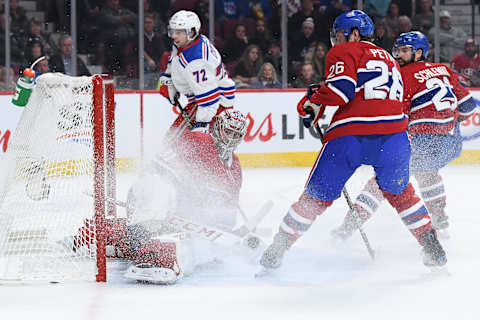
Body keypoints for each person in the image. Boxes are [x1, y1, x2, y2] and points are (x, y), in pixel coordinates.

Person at [259, 11, 448, 273]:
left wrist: (313, 102)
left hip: (351, 136)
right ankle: (431, 244)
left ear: (354, 33)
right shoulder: (392, 61)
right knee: (402, 192)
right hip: (395, 137)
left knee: (316, 197)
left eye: (339, 35)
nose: (337, 41)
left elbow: (340, 91)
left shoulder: (344, 52)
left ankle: (278, 247)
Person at [72, 109, 251, 284]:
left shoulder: (234, 169)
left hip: (181, 216)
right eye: (228, 131)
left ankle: (106, 234)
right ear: (218, 127)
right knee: (159, 189)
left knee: (201, 246)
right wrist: (184, 186)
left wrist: (228, 230)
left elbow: (225, 212)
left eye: (236, 135)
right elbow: (156, 169)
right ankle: (148, 251)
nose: (230, 138)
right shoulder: (199, 140)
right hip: (151, 197)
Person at [331, 31, 476, 239]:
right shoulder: (444, 69)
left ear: (419, 52)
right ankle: (439, 218)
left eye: (405, 50)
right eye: (398, 49)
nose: (399, 54)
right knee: (427, 171)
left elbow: (395, 115)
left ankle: (348, 227)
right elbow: (470, 107)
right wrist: (451, 120)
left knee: (382, 180)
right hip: (450, 144)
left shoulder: (403, 75)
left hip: (423, 140)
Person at [159, 10, 236, 139]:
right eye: (173, 31)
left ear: (192, 31)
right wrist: (170, 80)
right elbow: (174, 58)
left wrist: (202, 124)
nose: (173, 36)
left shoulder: (197, 60)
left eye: (178, 32)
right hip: (200, 100)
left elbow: (209, 98)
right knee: (187, 145)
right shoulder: (185, 43)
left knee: (174, 142)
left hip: (212, 104)